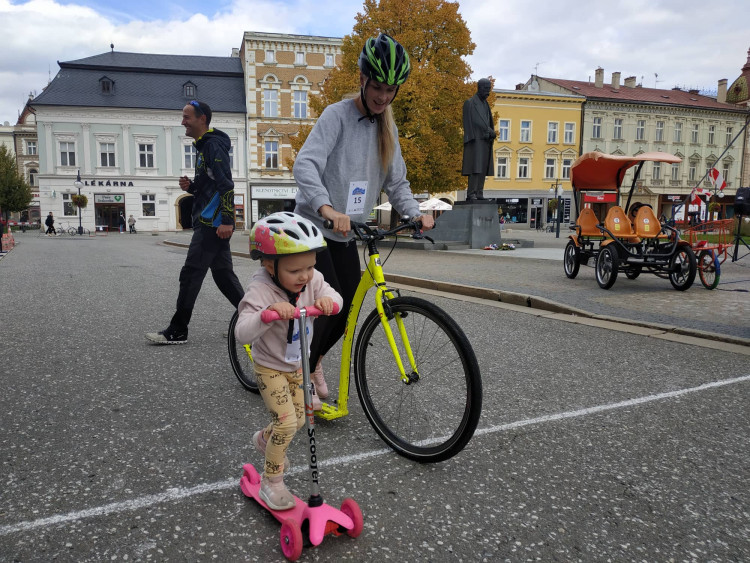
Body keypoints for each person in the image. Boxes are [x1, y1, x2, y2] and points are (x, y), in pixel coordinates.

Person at [292, 33, 434, 399]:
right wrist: (325, 207)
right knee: (327, 306)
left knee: (346, 310)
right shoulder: (336, 115)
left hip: (346, 232)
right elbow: (306, 163)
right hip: (313, 227)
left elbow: (396, 181)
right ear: (362, 78)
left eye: (391, 89)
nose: (383, 96)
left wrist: (415, 213)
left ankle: (313, 361)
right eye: (378, 86)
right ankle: (296, 374)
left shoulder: (388, 127)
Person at [234, 212, 343, 510]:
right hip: (270, 368)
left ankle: (263, 439)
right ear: (269, 264)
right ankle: (272, 482)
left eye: (310, 266)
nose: (305, 276)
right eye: (296, 270)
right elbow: (242, 331)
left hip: (299, 366)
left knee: (297, 422)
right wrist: (266, 314)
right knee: (285, 424)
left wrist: (328, 303)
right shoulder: (260, 289)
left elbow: (335, 296)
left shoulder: (312, 280)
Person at [146, 100, 245, 344]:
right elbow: (210, 185)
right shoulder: (204, 147)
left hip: (213, 223)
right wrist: (192, 187)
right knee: (223, 276)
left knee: (191, 274)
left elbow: (226, 185)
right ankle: (252, 321)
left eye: (186, 117)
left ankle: (178, 330)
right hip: (212, 221)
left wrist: (227, 221)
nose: (182, 122)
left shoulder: (213, 147)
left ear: (202, 119)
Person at [461, 78, 496, 201]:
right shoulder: (470, 103)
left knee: (482, 169)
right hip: (475, 140)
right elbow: (473, 122)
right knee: (475, 168)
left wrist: (490, 133)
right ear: (479, 88)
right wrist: (488, 130)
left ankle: (479, 192)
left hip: (485, 141)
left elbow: (486, 121)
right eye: (486, 89)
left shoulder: (486, 105)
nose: (488, 92)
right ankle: (471, 193)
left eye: (489, 89)